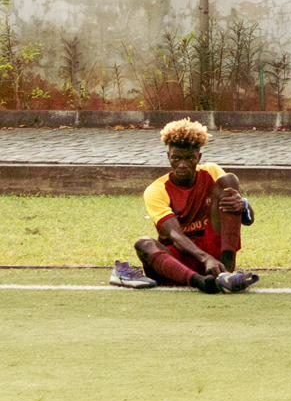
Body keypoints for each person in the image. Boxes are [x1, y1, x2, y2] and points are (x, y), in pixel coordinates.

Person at [109, 118, 259, 294]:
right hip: (180, 260)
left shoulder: (212, 173)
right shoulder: (156, 190)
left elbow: (247, 220)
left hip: (214, 253)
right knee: (143, 244)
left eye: (189, 158)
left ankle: (226, 274)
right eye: (176, 158)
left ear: (199, 157)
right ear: (168, 157)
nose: (182, 164)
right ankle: (200, 282)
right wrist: (205, 259)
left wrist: (243, 205)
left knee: (229, 180)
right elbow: (174, 234)